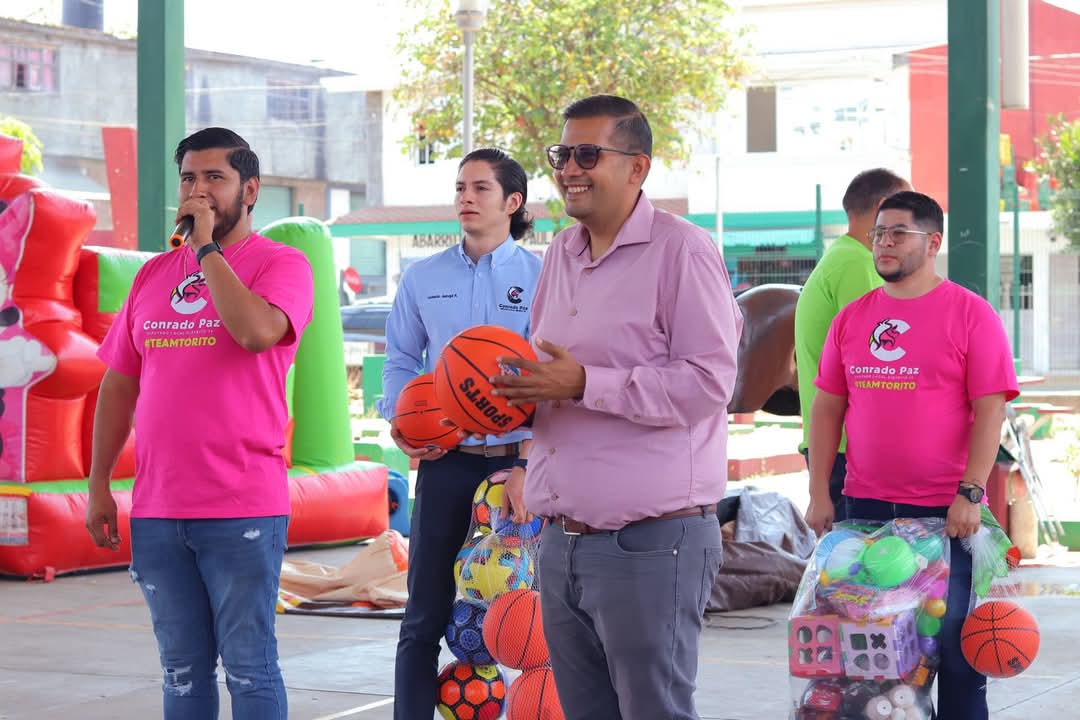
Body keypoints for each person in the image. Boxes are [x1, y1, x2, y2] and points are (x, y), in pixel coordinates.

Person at [491, 95, 743, 720]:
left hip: (651, 544)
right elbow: (548, 377)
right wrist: (484, 407)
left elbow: (709, 383)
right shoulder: (559, 253)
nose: (568, 170)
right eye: (561, 155)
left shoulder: (683, 251)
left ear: (637, 167)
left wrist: (584, 383)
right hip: (560, 541)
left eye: (587, 155)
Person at [84, 127, 314, 718]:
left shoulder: (281, 264)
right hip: (159, 508)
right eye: (189, 178)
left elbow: (256, 332)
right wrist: (99, 483)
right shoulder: (152, 275)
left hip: (242, 504)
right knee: (182, 672)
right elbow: (119, 383)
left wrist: (207, 249)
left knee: (249, 667)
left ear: (250, 190)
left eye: (216, 177)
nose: (199, 190)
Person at [805, 191, 1018, 720]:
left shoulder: (971, 314)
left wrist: (971, 493)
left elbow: (990, 410)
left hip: (947, 516)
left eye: (898, 233)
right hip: (865, 514)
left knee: (956, 656)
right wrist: (818, 493)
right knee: (873, 663)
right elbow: (827, 409)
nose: (884, 242)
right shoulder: (851, 319)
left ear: (933, 242)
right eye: (879, 233)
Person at [379, 147, 542, 720]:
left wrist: (529, 462)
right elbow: (400, 358)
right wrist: (400, 419)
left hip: (520, 465)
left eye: (480, 188)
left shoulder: (543, 277)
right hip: (447, 461)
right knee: (423, 612)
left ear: (512, 201)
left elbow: (552, 375)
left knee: (533, 617)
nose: (465, 198)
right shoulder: (423, 277)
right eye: (459, 188)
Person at [794, 169, 910, 520]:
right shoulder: (856, 264)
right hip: (848, 448)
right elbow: (877, 361)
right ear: (884, 208)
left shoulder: (847, 257)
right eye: (909, 208)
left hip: (844, 445)